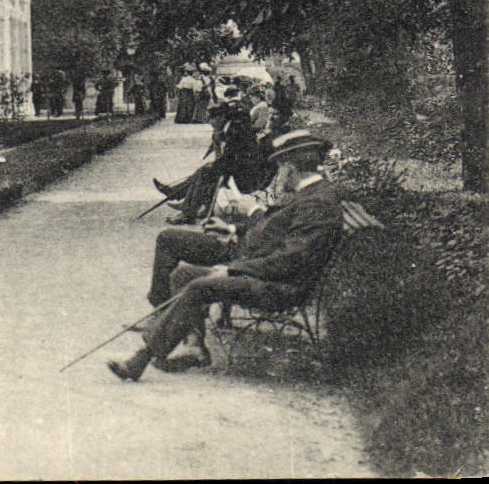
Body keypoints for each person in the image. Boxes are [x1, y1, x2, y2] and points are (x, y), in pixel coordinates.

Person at [108, 129, 342, 380]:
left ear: (290, 167)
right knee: (184, 273)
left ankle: (140, 359)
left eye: (279, 166)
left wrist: (233, 269)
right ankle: (194, 346)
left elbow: (292, 259)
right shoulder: (309, 195)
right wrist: (233, 230)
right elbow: (274, 231)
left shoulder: (316, 202)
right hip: (265, 270)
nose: (278, 173)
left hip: (282, 286)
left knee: (200, 285)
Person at [152, 97, 273, 223]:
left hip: (245, 176)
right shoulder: (231, 129)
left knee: (205, 173)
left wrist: (215, 159)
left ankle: (186, 209)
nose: (210, 123)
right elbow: (229, 158)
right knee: (204, 171)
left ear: (220, 118)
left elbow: (230, 159)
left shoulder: (235, 131)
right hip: (240, 170)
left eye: (211, 119)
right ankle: (182, 201)